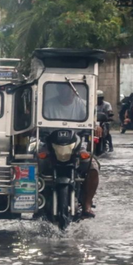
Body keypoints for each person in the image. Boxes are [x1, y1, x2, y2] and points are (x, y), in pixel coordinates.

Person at [43, 82, 101, 218]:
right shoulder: (47, 105)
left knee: (93, 167)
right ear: (58, 89)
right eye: (63, 88)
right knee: (34, 166)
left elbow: (93, 120)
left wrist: (96, 126)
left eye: (69, 89)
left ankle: (87, 204)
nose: (66, 92)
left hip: (76, 144)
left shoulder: (82, 104)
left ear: (74, 91)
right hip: (50, 143)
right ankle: (39, 199)